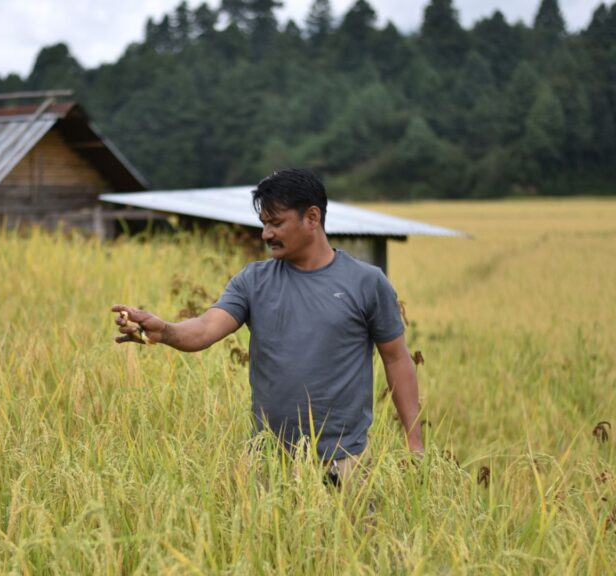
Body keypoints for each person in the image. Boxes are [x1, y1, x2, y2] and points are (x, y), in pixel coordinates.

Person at [111, 169, 423, 483]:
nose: (266, 235)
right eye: (264, 224)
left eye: (276, 223)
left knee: (354, 533)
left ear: (312, 218)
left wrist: (414, 444)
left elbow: (396, 358)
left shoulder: (367, 282)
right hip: (267, 461)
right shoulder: (253, 281)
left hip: (343, 461)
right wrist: (164, 330)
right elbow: (205, 329)